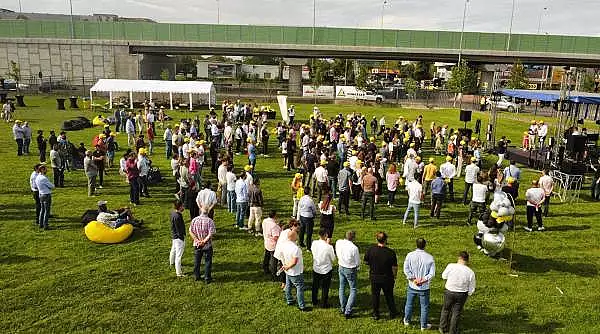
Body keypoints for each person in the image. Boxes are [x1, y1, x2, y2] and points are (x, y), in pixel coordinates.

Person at [364, 232, 399, 320]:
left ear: (377, 239)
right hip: (387, 278)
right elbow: (394, 267)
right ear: (386, 240)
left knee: (375, 295)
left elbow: (366, 261)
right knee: (389, 295)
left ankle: (376, 314)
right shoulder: (390, 253)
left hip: (374, 277)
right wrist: (394, 276)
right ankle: (393, 312)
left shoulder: (371, 250)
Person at [439, 251, 476, 334]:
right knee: (456, 313)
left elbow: (443, 276)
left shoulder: (451, 266)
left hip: (449, 291)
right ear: (467, 260)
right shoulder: (470, 272)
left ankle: (442, 328)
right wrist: (468, 293)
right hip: (461, 294)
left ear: (459, 258)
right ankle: (453, 331)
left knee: (446, 309)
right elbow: (472, 287)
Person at [403, 238, 435, 331]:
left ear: (416, 245)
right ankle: (423, 326)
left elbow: (406, 269)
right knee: (424, 307)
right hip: (424, 287)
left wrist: (413, 279)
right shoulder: (429, 257)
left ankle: (407, 321)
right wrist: (423, 280)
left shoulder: (410, 255)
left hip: (412, 285)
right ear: (425, 245)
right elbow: (431, 273)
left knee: (409, 304)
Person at [336, 230, 360, 319]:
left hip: (341, 266)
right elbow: (357, 262)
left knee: (342, 287)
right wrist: (357, 268)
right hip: (350, 268)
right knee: (353, 289)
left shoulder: (339, 242)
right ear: (353, 238)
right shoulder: (354, 248)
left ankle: (343, 307)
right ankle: (348, 311)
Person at [281, 230, 307, 311]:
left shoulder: (284, 245)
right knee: (299, 287)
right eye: (296, 235)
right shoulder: (296, 248)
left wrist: (285, 266)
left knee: (288, 285)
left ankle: (289, 300)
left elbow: (281, 255)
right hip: (295, 271)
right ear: (294, 237)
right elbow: (294, 262)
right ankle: (302, 306)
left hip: (287, 270)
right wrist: (288, 267)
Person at [189, 208, 216, 283]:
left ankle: (196, 276)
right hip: (207, 245)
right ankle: (207, 278)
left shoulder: (194, 220)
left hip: (197, 244)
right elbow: (211, 233)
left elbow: (190, 231)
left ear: (199, 212)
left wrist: (197, 240)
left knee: (197, 261)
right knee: (207, 261)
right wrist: (204, 241)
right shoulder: (210, 221)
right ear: (208, 212)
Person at [311, 228, 336, 308]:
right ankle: (323, 303)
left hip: (316, 268)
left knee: (315, 285)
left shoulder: (314, 243)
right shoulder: (329, 247)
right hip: (326, 269)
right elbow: (333, 259)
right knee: (325, 287)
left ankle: (314, 300)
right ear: (326, 236)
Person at [262, 210, 281, 280]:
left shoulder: (265, 221)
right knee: (274, 260)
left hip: (266, 241)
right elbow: (276, 237)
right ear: (275, 216)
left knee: (266, 256)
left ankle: (265, 268)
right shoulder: (274, 226)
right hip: (273, 245)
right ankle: (274, 275)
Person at [169, 200, 186, 277]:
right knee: (178, 255)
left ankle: (171, 262)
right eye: (182, 206)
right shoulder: (178, 216)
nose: (183, 207)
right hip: (179, 237)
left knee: (173, 250)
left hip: (174, 235)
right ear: (179, 207)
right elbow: (180, 228)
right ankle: (179, 273)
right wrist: (181, 237)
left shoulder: (173, 213)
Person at [35, 165, 54, 230]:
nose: (46, 170)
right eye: (45, 169)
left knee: (42, 210)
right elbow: (52, 186)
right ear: (42, 170)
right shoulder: (44, 178)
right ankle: (45, 225)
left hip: (41, 194)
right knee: (47, 211)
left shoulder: (37, 177)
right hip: (46, 195)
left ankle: (41, 224)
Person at [297, 186, 317, 250]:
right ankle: (308, 247)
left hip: (302, 216)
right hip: (308, 217)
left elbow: (299, 208)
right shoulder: (310, 200)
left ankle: (301, 243)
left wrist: (298, 217)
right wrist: (314, 214)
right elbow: (314, 209)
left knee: (301, 231)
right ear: (309, 192)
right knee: (309, 233)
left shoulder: (301, 199)